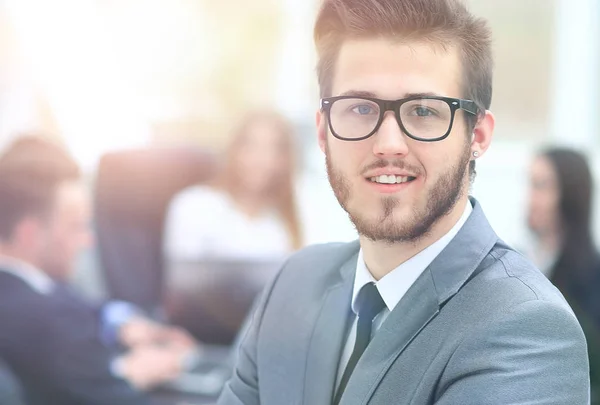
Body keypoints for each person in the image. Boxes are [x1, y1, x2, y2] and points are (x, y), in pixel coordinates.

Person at [218, 0, 590, 404]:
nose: (388, 145)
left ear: (478, 136)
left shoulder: (525, 327)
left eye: (424, 111)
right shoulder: (292, 285)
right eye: (359, 108)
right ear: (324, 132)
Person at [0, 136, 198, 405]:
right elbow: (105, 393)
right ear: (30, 235)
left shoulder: (37, 286)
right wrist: (131, 371)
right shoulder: (39, 316)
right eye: (76, 226)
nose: (88, 240)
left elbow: (87, 307)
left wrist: (122, 325)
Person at [164, 109, 302, 262]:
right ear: (234, 150)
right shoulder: (194, 206)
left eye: (274, 150)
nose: (263, 159)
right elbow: (183, 279)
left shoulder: (280, 224)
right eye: (252, 146)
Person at [526, 147, 600, 400]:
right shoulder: (520, 263)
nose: (530, 198)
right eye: (531, 185)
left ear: (571, 194)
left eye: (541, 186)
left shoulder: (592, 276)